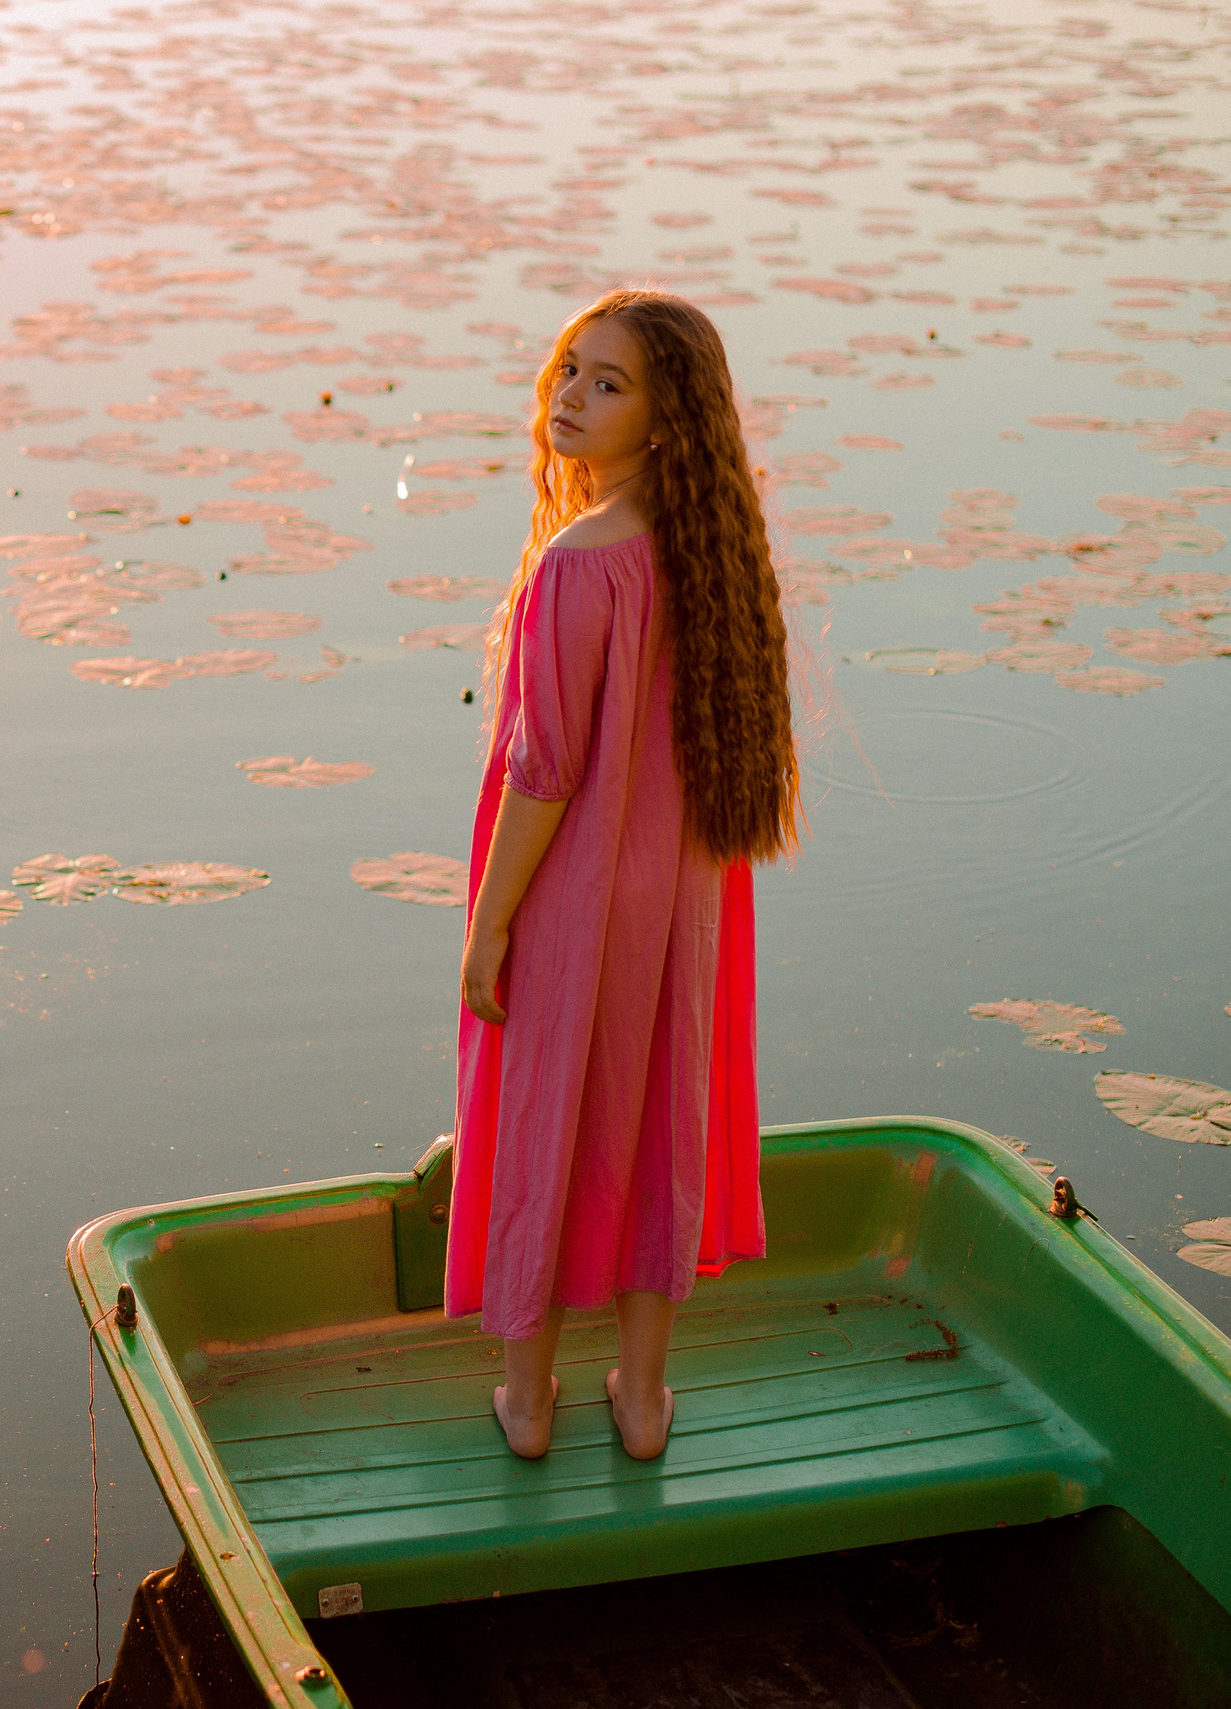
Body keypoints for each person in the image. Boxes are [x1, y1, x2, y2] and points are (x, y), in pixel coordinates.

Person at [446, 289, 799, 1463]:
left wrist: (491, 924)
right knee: (658, 1116)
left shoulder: (577, 563)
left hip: (567, 897)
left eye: (608, 383)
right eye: (567, 371)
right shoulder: (713, 550)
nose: (572, 398)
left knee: (540, 1120)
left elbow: (544, 773)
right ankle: (643, 1398)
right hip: (681, 900)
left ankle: (529, 1397)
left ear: (665, 418)